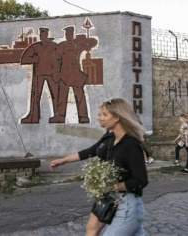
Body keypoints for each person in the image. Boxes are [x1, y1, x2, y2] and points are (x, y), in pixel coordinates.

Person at [50, 98, 148, 235]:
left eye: (104, 115)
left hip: (126, 204)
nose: (99, 118)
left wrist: (110, 186)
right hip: (107, 198)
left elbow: (140, 181)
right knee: (91, 229)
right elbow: (90, 151)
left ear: (116, 118)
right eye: (100, 114)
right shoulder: (110, 138)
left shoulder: (131, 145)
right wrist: (63, 160)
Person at [49, 26, 98, 123]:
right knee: (62, 97)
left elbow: (92, 44)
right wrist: (56, 73)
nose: (68, 36)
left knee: (80, 96)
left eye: (70, 34)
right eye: (67, 34)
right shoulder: (62, 45)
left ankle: (83, 116)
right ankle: (60, 116)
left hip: (76, 74)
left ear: (73, 34)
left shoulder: (78, 45)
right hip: (64, 74)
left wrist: (83, 39)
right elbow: (56, 59)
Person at [20, 27, 58, 123]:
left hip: (52, 74)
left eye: (44, 34)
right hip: (38, 74)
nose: (42, 36)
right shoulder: (35, 46)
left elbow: (62, 57)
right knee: (35, 95)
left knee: (56, 95)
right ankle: (33, 116)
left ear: (47, 35)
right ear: (40, 36)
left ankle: (59, 116)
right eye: (41, 34)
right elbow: (23, 59)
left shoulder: (54, 46)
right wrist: (34, 59)